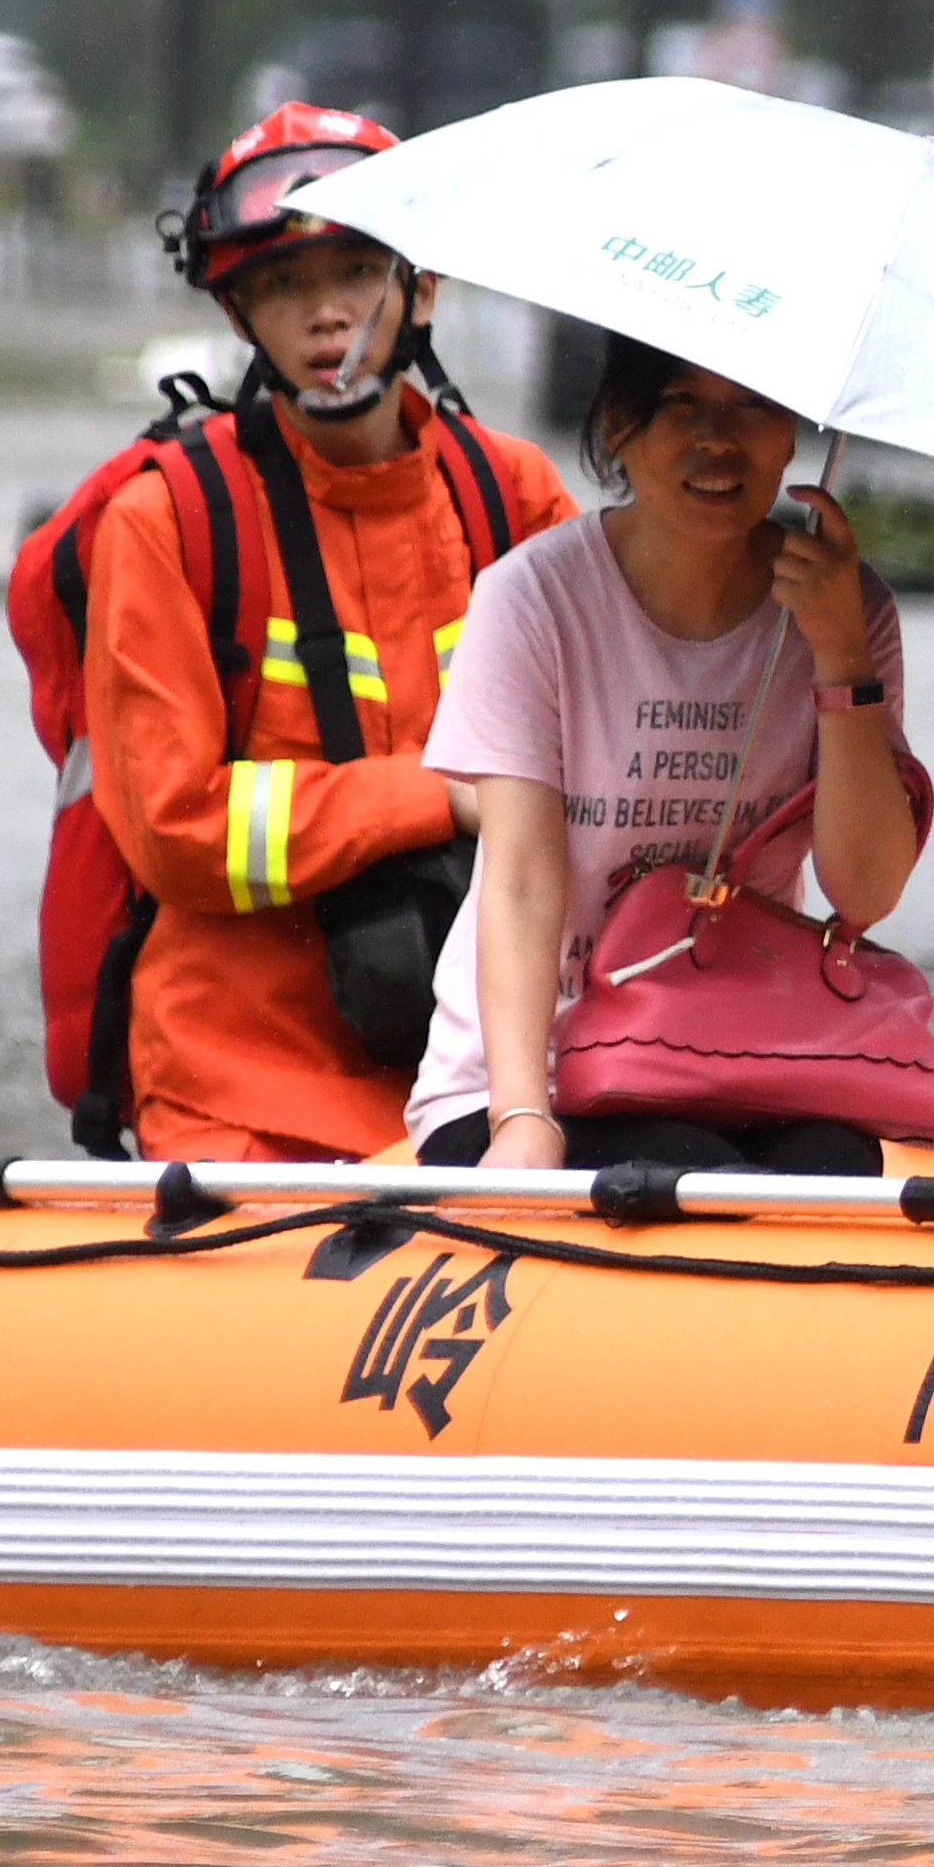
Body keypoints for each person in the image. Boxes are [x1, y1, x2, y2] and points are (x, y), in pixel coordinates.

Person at [66, 100, 564, 1165]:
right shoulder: (167, 522)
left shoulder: (513, 494)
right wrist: (441, 796)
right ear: (240, 315)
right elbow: (172, 825)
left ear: (422, 286)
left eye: (352, 272)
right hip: (238, 1092)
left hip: (491, 1071)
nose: (323, 313)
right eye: (282, 285)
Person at [431, 328, 928, 1174]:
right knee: (688, 1166)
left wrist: (842, 654)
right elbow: (517, 879)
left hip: (740, 1059)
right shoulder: (530, 599)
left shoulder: (847, 607)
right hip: (534, 1070)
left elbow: (865, 892)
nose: (718, 441)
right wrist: (521, 1116)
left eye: (753, 407)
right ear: (619, 423)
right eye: (683, 404)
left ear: (790, 433)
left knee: (838, 1163)